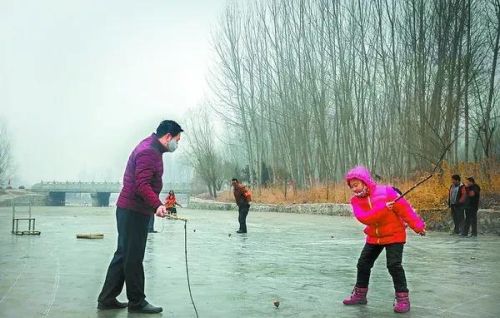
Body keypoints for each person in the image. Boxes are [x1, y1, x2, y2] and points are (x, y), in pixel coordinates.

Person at [97, 120, 183, 314]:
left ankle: (107, 298)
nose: (177, 144)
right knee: (133, 257)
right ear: (168, 136)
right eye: (177, 140)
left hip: (132, 210)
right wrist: (158, 206)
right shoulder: (148, 152)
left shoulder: (153, 149)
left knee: (124, 254)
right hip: (133, 211)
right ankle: (137, 302)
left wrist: (153, 205)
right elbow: (141, 185)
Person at [342, 166, 426, 314]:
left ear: (364, 181)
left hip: (394, 234)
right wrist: (383, 208)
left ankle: (402, 299)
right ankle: (360, 295)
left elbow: (405, 210)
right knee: (363, 264)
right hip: (374, 236)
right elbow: (365, 218)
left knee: (394, 265)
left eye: (356, 185)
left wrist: (418, 226)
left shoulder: (387, 192)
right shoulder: (355, 201)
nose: (354, 189)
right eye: (351, 187)